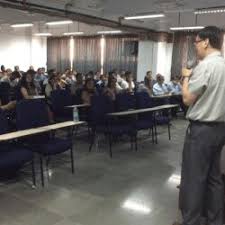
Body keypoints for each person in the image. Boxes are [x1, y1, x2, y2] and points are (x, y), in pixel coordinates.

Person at [179, 26, 225, 225]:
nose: (195, 46)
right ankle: (215, 220)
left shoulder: (205, 66)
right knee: (214, 178)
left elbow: (188, 99)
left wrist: (187, 76)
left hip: (202, 131)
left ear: (206, 42)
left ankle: (193, 221)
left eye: (196, 42)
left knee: (194, 179)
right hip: (220, 129)